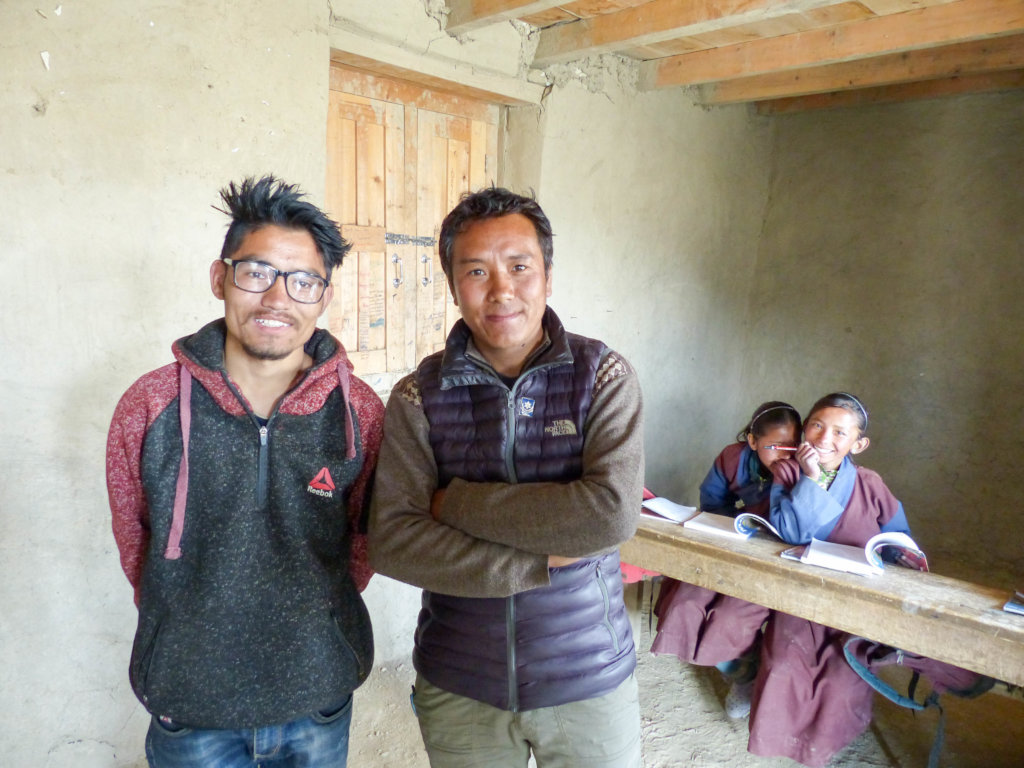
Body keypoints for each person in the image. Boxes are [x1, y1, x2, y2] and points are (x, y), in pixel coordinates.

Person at [106, 175, 384, 767]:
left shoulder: (358, 412)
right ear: (220, 278)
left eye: (303, 280)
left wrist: (321, 625)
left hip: (317, 696)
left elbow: (363, 543)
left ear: (324, 296)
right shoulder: (150, 406)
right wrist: (183, 626)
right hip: (190, 704)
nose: (277, 298)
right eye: (257, 272)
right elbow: (137, 544)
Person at [367, 187, 645, 768]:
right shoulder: (419, 396)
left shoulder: (604, 377)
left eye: (520, 266)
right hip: (460, 677)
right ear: (452, 284)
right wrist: (537, 561)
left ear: (547, 274)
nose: (501, 290)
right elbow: (393, 541)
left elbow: (609, 516)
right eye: (476, 271)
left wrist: (453, 504)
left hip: (586, 674)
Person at [656, 392, 913, 768]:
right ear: (805, 427)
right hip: (783, 574)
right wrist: (809, 479)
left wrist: (895, 563)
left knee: (830, 670)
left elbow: (900, 541)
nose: (825, 439)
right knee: (713, 612)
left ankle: (820, 737)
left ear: (858, 444)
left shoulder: (870, 484)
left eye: (840, 433)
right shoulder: (788, 471)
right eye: (817, 426)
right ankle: (744, 675)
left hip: (843, 589)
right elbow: (792, 531)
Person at [651, 401, 801, 718]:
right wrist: (737, 522)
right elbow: (713, 502)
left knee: (729, 619)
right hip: (731, 545)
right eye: (775, 446)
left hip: (776, 559)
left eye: (792, 446)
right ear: (752, 441)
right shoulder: (732, 458)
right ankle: (742, 672)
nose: (785, 455)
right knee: (685, 606)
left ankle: (749, 677)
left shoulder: (800, 469)